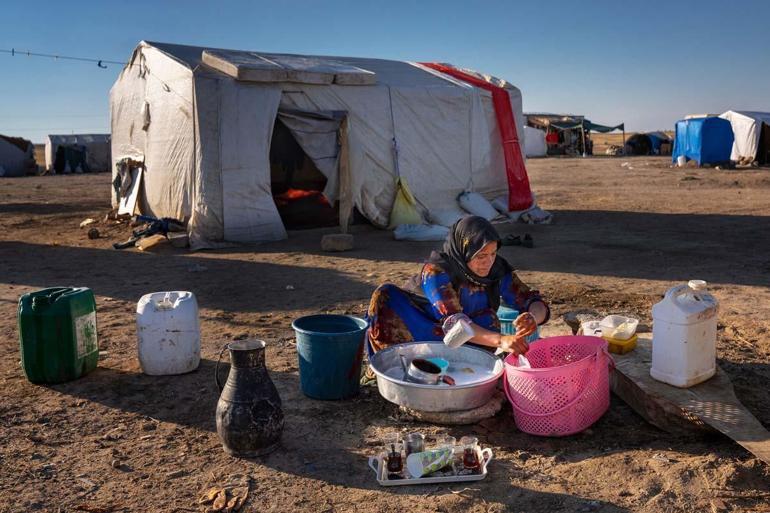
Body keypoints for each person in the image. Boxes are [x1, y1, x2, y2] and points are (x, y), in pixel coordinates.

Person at [367, 216, 549, 356]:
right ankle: (398, 363)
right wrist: (501, 340)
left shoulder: (497, 270)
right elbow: (455, 325)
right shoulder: (436, 271)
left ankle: (469, 365)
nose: (488, 262)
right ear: (464, 251)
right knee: (385, 295)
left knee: (488, 319)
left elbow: (531, 299)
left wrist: (533, 317)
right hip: (421, 325)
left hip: (467, 335)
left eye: (493, 253)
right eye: (481, 256)